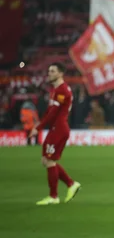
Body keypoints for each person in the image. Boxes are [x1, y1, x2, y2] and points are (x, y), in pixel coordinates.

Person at [29, 63, 81, 205]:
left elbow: (53, 114)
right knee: (46, 161)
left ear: (61, 73)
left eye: (52, 71)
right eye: (49, 70)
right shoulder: (56, 90)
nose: (49, 73)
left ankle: (54, 196)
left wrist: (38, 128)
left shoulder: (62, 90)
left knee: (49, 161)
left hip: (59, 129)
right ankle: (70, 184)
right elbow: (49, 111)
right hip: (55, 129)